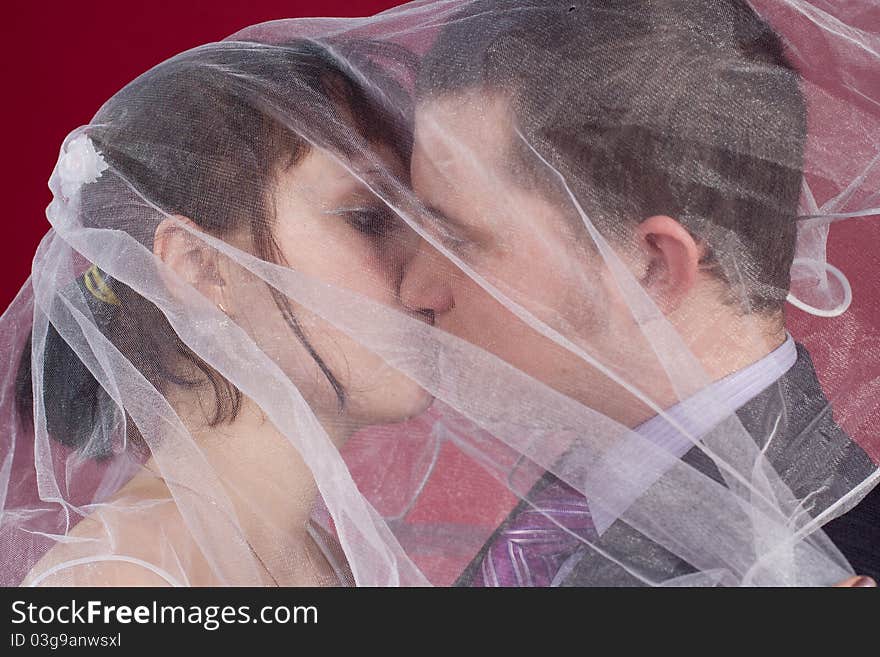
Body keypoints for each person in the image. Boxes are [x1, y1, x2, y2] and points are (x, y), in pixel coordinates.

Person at [399, 0, 880, 585]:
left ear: (650, 267)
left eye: (458, 239)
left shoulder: (829, 568)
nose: (415, 289)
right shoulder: (582, 498)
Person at [5, 38, 431, 586]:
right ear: (201, 270)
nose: (428, 275)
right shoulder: (121, 583)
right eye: (368, 218)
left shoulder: (328, 557)